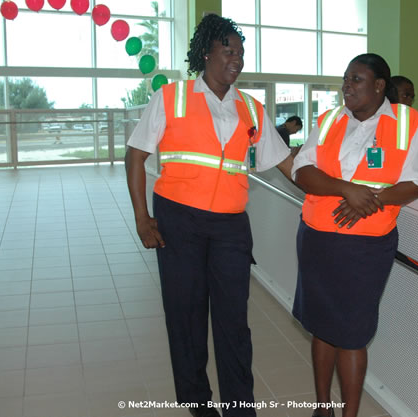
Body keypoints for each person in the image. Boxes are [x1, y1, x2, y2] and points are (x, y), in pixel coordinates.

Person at [124, 14, 293, 417]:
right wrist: (141, 218)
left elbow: (286, 163)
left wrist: (339, 184)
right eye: (228, 50)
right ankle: (198, 403)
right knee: (186, 315)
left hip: (231, 227)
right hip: (178, 220)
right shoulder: (172, 98)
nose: (236, 59)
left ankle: (239, 408)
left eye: (240, 53)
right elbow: (135, 155)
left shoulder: (251, 108)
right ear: (206, 53)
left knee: (234, 321)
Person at [291, 53, 418, 417]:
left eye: (356, 79)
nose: (346, 86)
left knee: (352, 332)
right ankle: (323, 408)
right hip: (317, 237)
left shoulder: (409, 123)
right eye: (345, 79)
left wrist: (370, 198)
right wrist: (345, 189)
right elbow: (302, 171)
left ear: (379, 85)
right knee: (321, 325)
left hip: (367, 244)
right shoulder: (328, 121)